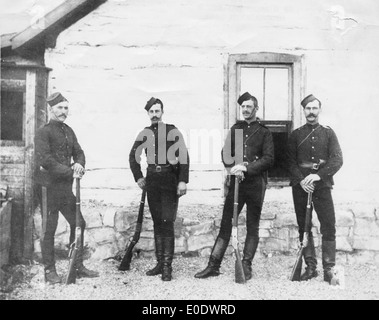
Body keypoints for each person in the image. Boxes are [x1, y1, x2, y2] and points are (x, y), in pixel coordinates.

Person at [194, 92, 274, 280]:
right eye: (243, 107)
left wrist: (246, 168)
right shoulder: (236, 129)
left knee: (252, 226)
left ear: (256, 108)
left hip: (255, 184)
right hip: (236, 183)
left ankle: (245, 265)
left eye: (249, 106)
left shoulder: (264, 132)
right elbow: (225, 153)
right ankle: (213, 265)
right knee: (225, 225)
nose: (245, 110)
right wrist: (232, 168)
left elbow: (269, 159)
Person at [35, 92, 99, 284]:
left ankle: (76, 265)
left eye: (66, 108)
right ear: (50, 109)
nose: (63, 111)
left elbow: (79, 152)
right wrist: (70, 171)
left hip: (64, 189)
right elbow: (45, 160)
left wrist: (79, 163)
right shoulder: (43, 132)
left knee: (79, 222)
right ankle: (49, 271)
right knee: (49, 229)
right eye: (59, 108)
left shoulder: (69, 131)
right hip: (47, 188)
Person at [129, 97, 189, 281]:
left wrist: (182, 181)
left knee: (167, 222)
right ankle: (159, 263)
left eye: (157, 111)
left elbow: (184, 157)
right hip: (153, 182)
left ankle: (167, 267)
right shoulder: (144, 134)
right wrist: (139, 177)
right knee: (157, 222)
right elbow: (133, 157)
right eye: (151, 112)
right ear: (148, 114)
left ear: (162, 112)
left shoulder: (172, 131)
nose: (155, 114)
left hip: (170, 181)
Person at [287, 94, 343, 285]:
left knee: (329, 225)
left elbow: (337, 159)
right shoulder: (295, 135)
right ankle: (310, 267)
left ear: (319, 110)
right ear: (303, 111)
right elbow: (290, 162)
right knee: (304, 227)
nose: (311, 112)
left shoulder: (328, 133)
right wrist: (302, 180)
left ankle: (329, 269)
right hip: (301, 187)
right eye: (308, 109)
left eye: (314, 108)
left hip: (322, 186)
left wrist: (318, 176)